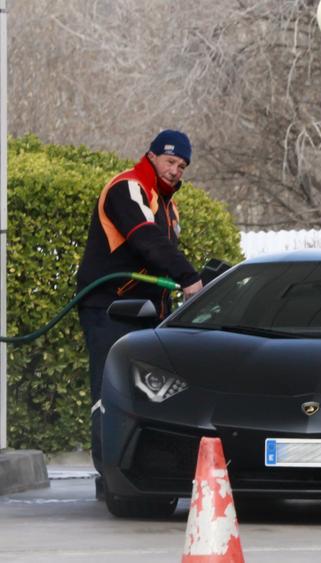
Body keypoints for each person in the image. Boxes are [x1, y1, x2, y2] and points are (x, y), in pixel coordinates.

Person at [76, 130, 203, 495]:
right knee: (109, 391)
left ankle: (145, 468)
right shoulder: (126, 188)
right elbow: (145, 238)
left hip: (147, 314)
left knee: (152, 394)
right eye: (170, 161)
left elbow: (161, 251)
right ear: (151, 157)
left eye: (182, 165)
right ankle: (110, 478)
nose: (176, 170)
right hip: (108, 308)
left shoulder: (167, 204)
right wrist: (188, 277)